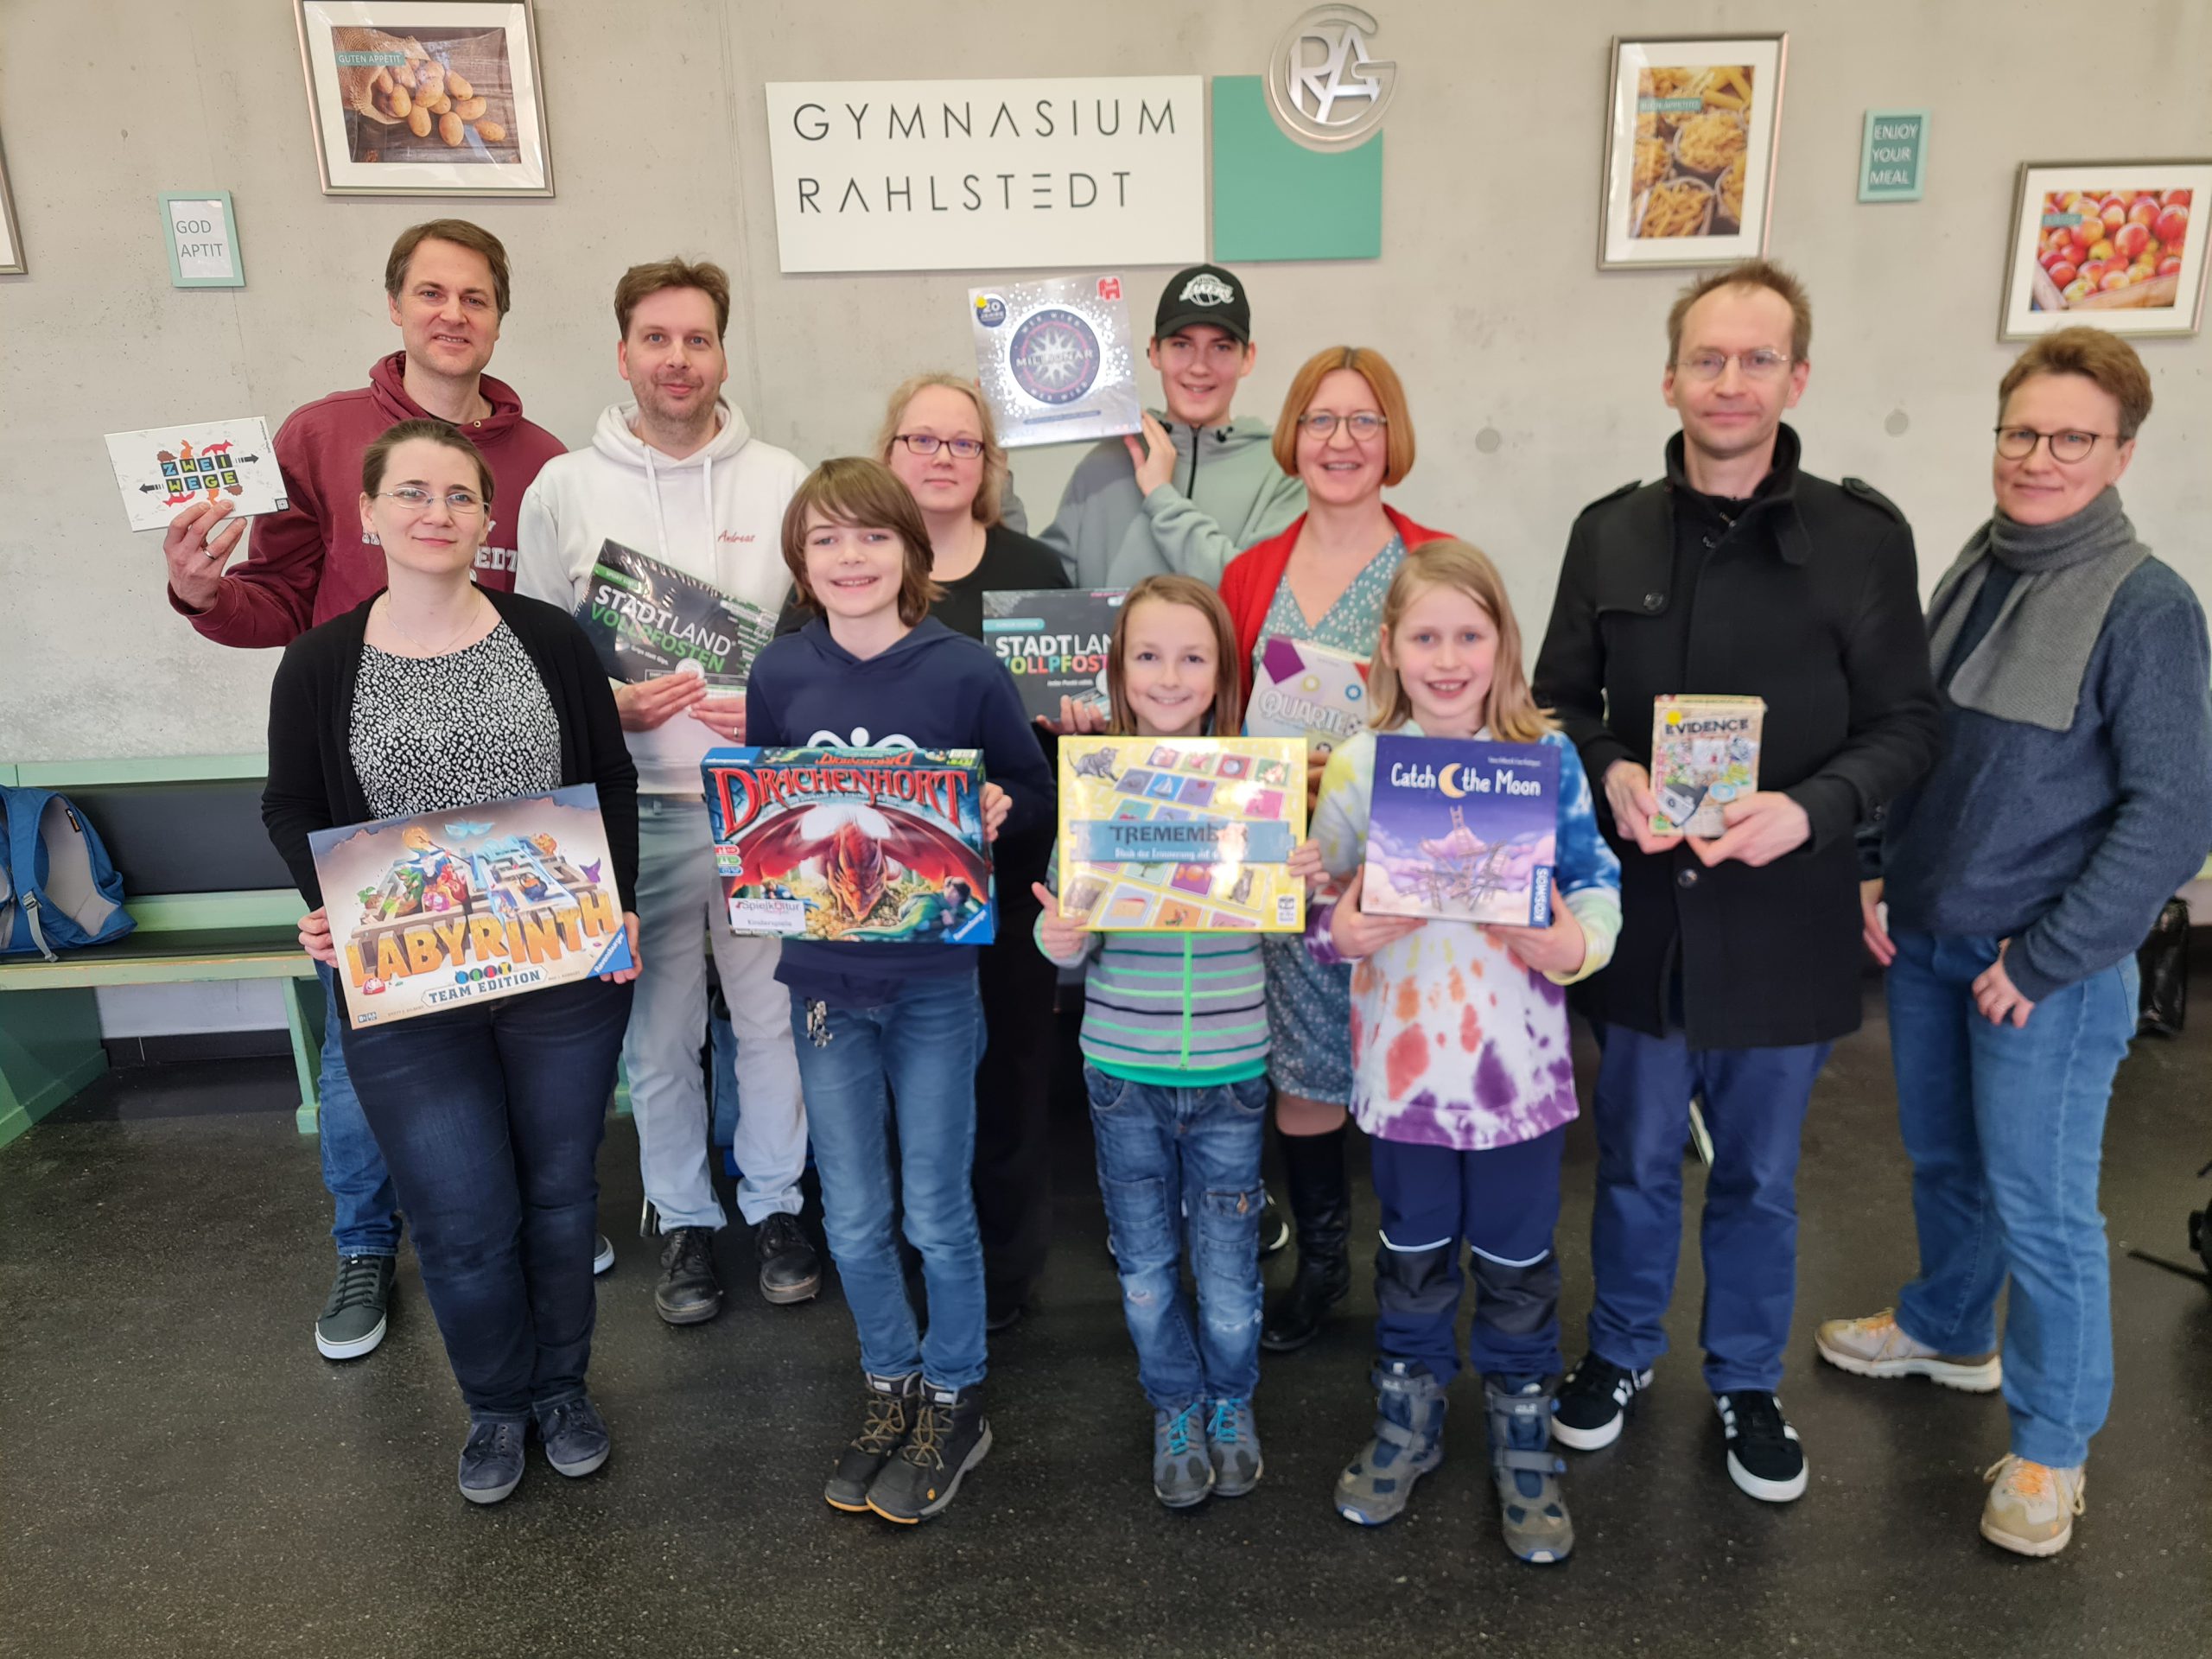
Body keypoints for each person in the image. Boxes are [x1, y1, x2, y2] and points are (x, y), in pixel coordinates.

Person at [1530, 260, 1942, 1503]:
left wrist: (1812, 810)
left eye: (1757, 359)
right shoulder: (1607, 531)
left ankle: (1747, 1381)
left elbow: (1909, 725)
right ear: (1670, 378)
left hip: (1784, 913)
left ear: (1796, 379)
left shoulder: (1863, 541)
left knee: (1759, 1176)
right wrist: (1607, 770)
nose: (1730, 380)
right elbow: (1558, 699)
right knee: (1635, 1157)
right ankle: (1618, 1355)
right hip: (1648, 912)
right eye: (1707, 358)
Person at [1817, 327, 2212, 1556]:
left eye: (2071, 438)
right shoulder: (1981, 563)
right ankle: (1948, 1328)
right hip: (1933, 934)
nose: (2039, 457)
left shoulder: (2146, 605)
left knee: (2043, 1209)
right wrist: (1875, 865)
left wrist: (2043, 959)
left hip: (2044, 967)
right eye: (2021, 431)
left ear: (2122, 453)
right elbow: (1919, 737)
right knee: (1945, 1162)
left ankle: (2051, 1448)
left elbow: (2175, 813)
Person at [160, 219, 576, 1363]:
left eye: (476, 296)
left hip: (510, 802)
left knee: (516, 1021)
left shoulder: (543, 459)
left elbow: (559, 627)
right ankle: (362, 1243)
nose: (453, 314)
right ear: (396, 305)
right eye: (432, 292)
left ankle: (530, 1216)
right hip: (364, 796)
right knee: (361, 1041)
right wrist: (200, 593)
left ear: (500, 316)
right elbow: (274, 601)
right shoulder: (320, 435)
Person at [261, 420, 641, 1505]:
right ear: (368, 514)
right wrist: (326, 903)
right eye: (413, 493)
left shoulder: (550, 639)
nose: (437, 512)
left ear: (487, 519)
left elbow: (609, 777)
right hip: (408, 980)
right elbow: (290, 805)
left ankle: (562, 1390)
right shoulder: (319, 661)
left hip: (560, 969)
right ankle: (495, 1407)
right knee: (460, 1217)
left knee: (560, 1197)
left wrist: (614, 903)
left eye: (460, 496)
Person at [747, 458, 1053, 1523]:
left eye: (872, 536)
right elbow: (765, 818)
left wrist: (1003, 807)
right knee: (855, 1214)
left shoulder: (963, 670)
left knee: (934, 1206)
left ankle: (955, 1395)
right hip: (823, 984)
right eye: (825, 540)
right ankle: (890, 1382)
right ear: (801, 563)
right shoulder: (781, 672)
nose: (851, 557)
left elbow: (1033, 788)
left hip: (934, 983)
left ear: (911, 553)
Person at [517, 258, 817, 1325]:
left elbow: (822, 637)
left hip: (759, 802)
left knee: (774, 1024)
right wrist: (610, 707)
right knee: (658, 1037)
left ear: (723, 355)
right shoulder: (562, 488)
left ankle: (778, 1207)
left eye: (697, 339)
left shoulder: (783, 479)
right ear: (623, 354)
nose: (677, 359)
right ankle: (684, 1220)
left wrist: (773, 712)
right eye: (656, 338)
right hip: (633, 811)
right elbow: (535, 655)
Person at [1309, 542, 1620, 1563]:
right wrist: (1337, 926)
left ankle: (1523, 1433)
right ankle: (1408, 1415)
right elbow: (1321, 899)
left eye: (1469, 636)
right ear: (1389, 647)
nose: (1447, 659)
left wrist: (1575, 945)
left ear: (1503, 644)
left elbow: (1595, 882)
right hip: (1403, 1075)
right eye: (1425, 637)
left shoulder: (1547, 760)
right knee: (1410, 1252)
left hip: (1515, 1077)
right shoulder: (1361, 764)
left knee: (1518, 1259)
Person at [1032, 575, 1324, 1508]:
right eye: (1149, 656)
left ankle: (1231, 1401)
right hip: (1124, 1070)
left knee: (1231, 1274)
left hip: (1234, 1069)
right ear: (1118, 670)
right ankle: (1174, 1404)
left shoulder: (1257, 787)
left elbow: (1283, 921)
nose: (1169, 676)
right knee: (1148, 1272)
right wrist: (1061, 934)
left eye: (1192, 657)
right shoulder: (1098, 786)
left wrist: (1303, 878)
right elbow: (1063, 934)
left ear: (1223, 673)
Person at [1217, 346, 1452, 1354]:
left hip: (1404, 867)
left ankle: (1416, 1269)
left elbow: (1477, 719)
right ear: (1292, 437)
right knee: (1306, 1074)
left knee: (1410, 1070)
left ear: (1393, 437)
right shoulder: (1248, 572)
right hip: (1288, 868)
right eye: (1320, 420)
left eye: (1364, 420)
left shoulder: (1436, 563)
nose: (1341, 440)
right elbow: (1216, 721)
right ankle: (1320, 1266)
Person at [878, 372, 1067, 1329]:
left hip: (1014, 869)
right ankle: (909, 1261)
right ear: (889, 454)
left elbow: (1065, 760)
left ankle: (1006, 1267)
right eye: (923, 439)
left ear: (989, 462)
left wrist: (1080, 722)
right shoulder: (853, 571)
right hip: (883, 885)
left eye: (963, 442)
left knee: (1011, 1073)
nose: (943, 457)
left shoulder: (1039, 571)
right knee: (901, 1085)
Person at [1039, 264, 1306, 589]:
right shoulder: (1103, 465)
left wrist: (1161, 496)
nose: (1199, 367)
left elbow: (1257, 594)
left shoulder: (1282, 472)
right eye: (1182, 345)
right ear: (1155, 351)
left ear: (1247, 358)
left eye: (1221, 347)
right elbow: (1040, 593)